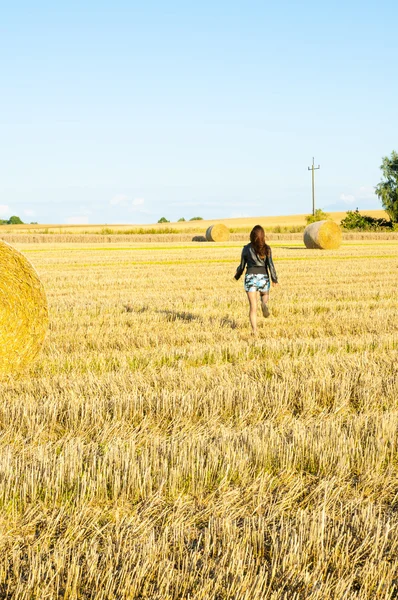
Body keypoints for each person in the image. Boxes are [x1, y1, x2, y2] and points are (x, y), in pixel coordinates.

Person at [234, 225, 278, 335]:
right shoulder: (267, 249)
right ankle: (264, 303)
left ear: (251, 236)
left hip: (250, 277)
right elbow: (270, 265)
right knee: (264, 295)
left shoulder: (246, 248)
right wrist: (274, 279)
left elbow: (242, 266)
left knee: (253, 307)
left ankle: (254, 331)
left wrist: (237, 275)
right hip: (263, 277)